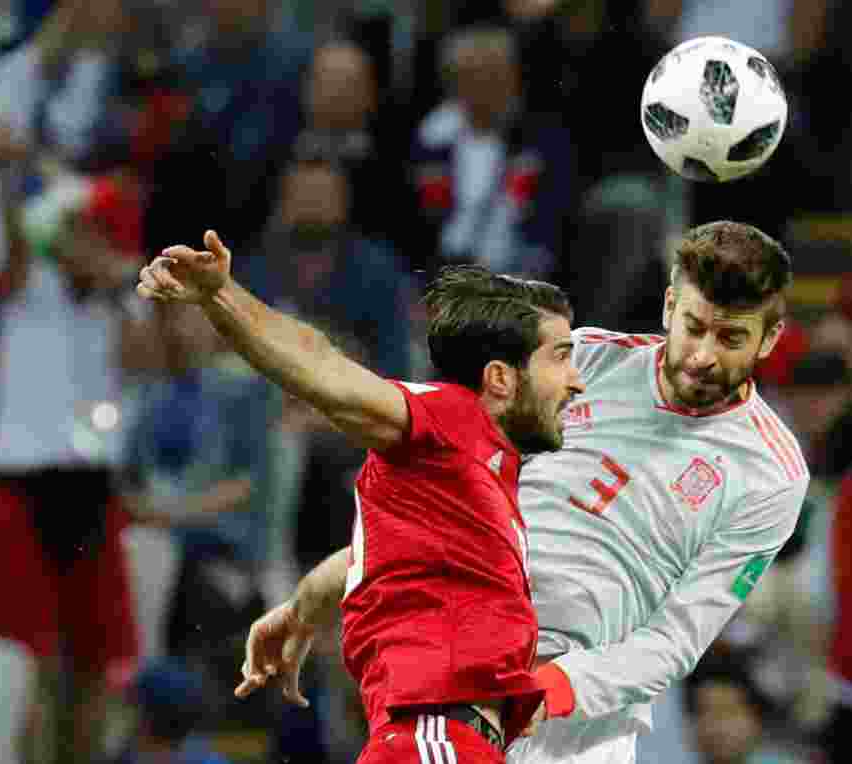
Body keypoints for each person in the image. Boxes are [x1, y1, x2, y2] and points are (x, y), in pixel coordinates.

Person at [234, 221, 808, 764]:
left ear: (771, 336)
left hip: (580, 731)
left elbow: (677, 639)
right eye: (694, 327)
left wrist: (550, 686)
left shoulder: (770, 473)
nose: (704, 355)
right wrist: (310, 599)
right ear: (667, 307)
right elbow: (445, 504)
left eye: (731, 337)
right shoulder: (580, 359)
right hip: (466, 682)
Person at [135, 230, 585, 763]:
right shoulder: (448, 419)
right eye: (561, 357)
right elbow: (325, 370)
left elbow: (374, 556)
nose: (576, 381)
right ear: (501, 379)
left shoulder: (480, 478)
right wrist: (221, 295)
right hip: (434, 737)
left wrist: (305, 604)